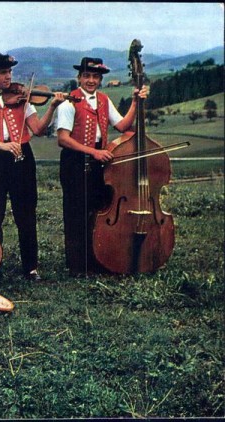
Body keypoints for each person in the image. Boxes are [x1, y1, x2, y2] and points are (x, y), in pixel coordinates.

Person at [0, 53, 65, 281]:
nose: (8, 76)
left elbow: (38, 129)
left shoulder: (22, 98)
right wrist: (2, 145)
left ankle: (30, 267)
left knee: (26, 214)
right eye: (3, 72)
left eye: (10, 72)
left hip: (22, 158)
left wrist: (52, 107)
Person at [55, 57, 149, 277]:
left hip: (100, 162)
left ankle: (97, 260)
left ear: (100, 79)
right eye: (86, 76)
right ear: (79, 78)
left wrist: (135, 103)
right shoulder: (70, 101)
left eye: (95, 76)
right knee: (76, 213)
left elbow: (123, 125)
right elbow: (63, 139)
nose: (91, 80)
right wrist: (94, 152)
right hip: (75, 161)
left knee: (98, 211)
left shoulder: (104, 100)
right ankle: (77, 266)